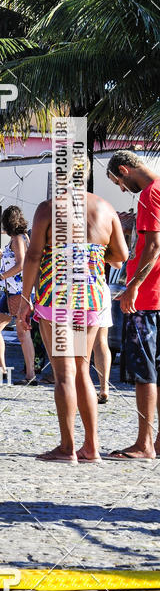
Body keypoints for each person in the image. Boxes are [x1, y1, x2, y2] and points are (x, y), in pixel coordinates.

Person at [18, 176, 128, 462]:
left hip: (56, 296)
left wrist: (25, 300)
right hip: (90, 297)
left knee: (64, 374)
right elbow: (121, 254)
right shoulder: (106, 208)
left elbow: (32, 256)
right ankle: (91, 447)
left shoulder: (49, 208)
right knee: (82, 371)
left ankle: (68, 448)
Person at [106, 150, 160, 458]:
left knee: (144, 371)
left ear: (125, 169)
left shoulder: (149, 195)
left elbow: (153, 244)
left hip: (148, 297)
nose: (123, 189)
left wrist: (133, 286)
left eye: (119, 182)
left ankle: (144, 443)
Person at [0, 206, 36, 384]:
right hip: (14, 291)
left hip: (18, 292)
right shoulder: (20, 238)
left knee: (21, 333)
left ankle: (29, 374)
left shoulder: (18, 239)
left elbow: (20, 264)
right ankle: (5, 369)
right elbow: (10, 258)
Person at [92, 278, 113, 404]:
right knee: (101, 342)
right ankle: (104, 387)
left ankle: (80, 387)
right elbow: (118, 264)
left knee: (77, 343)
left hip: (72, 289)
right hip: (98, 287)